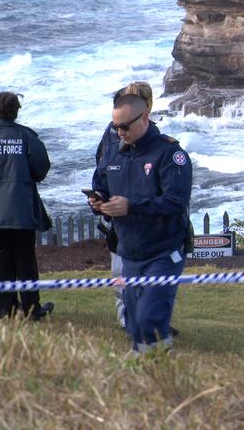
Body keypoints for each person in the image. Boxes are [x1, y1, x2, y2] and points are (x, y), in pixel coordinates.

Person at [90, 92, 192, 354]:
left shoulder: (169, 153)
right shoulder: (113, 153)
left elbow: (175, 201)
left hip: (163, 251)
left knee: (150, 319)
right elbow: (99, 184)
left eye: (125, 126)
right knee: (135, 324)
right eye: (116, 127)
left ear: (144, 117)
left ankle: (159, 374)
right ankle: (146, 374)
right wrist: (100, 204)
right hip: (129, 252)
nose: (120, 132)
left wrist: (131, 206)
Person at [0, 92, 54, 321]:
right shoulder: (27, 137)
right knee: (25, 258)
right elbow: (41, 168)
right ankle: (31, 309)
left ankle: (4, 309)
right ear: (16, 112)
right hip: (20, 208)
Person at [95, 82, 152, 330]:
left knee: (148, 276)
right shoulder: (110, 138)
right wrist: (100, 198)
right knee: (121, 271)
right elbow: (101, 171)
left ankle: (146, 320)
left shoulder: (154, 137)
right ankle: (127, 320)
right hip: (120, 220)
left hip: (143, 218)